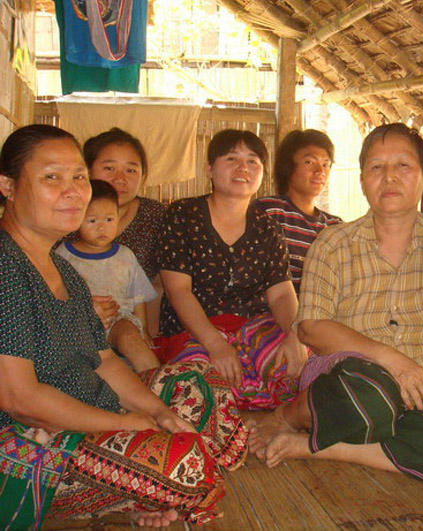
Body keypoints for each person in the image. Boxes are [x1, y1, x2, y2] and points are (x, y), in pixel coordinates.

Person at [0, 125, 247, 528]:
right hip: (32, 440)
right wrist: (125, 423)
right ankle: (147, 491)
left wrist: (158, 412)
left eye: (79, 177)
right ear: (8, 186)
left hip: (93, 412)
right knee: (182, 464)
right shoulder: (5, 264)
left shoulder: (64, 270)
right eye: (51, 178)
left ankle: (139, 494)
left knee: (202, 384)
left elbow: (104, 362)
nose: (73, 190)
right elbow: (18, 399)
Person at [249, 123, 423, 489]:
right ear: (361, 179)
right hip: (350, 383)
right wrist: (391, 360)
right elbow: (310, 327)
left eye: (403, 166)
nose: (389, 177)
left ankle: (321, 447)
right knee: (372, 395)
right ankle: (290, 415)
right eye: (376, 167)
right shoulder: (334, 241)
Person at [157, 129, 308, 409]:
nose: (243, 168)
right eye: (231, 159)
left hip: (252, 328)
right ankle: (244, 413)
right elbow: (178, 291)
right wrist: (216, 345)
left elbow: (282, 295)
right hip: (194, 331)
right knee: (198, 386)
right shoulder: (181, 215)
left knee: (299, 368)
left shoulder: (268, 228)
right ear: (210, 169)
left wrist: (294, 335)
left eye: (253, 161)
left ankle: (272, 417)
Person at [56, 180, 159, 372]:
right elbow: (56, 294)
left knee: (130, 338)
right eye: (92, 220)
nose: (102, 227)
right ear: (77, 219)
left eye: (109, 220)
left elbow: (138, 297)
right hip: (80, 323)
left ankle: (159, 383)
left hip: (118, 320)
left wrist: (143, 330)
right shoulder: (64, 254)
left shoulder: (125, 256)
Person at [83, 128, 167, 335]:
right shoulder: (70, 214)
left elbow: (157, 286)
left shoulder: (156, 216)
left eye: (131, 170)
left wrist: (150, 337)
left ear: (143, 176)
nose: (120, 178)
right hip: (76, 326)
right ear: (87, 171)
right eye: (109, 168)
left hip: (134, 327)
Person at [253, 129, 342, 293]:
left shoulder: (335, 226)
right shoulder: (269, 211)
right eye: (309, 162)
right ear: (288, 166)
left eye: (326, 164)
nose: (320, 171)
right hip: (274, 310)